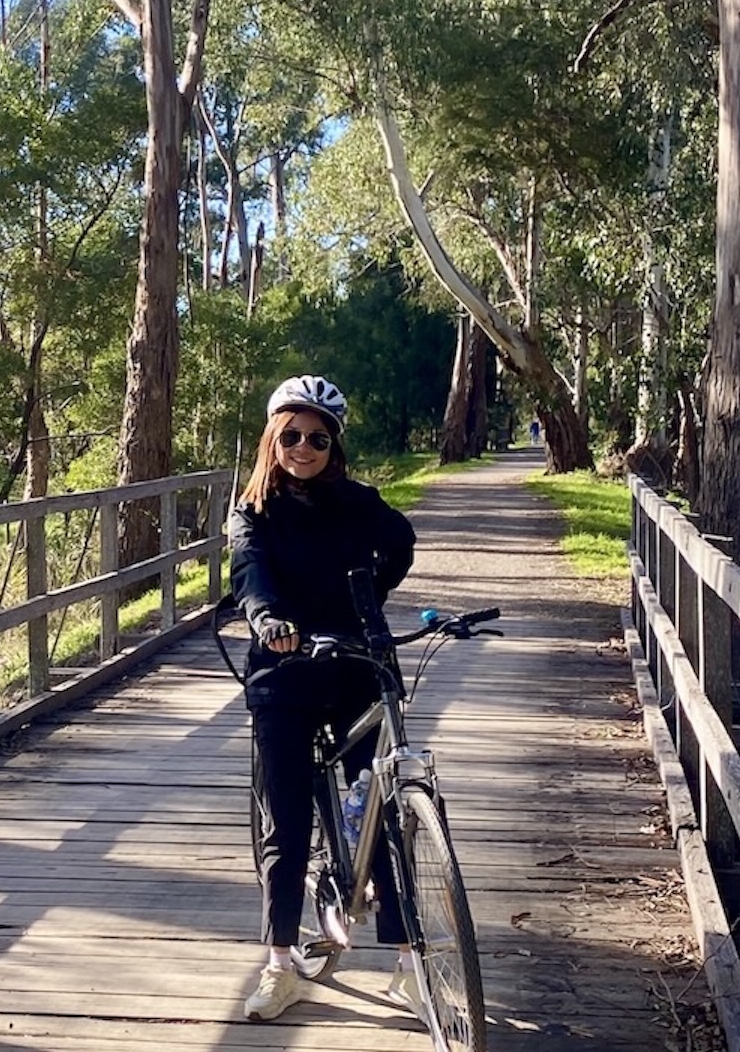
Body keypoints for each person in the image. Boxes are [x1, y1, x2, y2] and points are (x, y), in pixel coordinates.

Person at [228, 374, 419, 1021]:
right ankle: (280, 965)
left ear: (333, 445)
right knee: (288, 822)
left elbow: (401, 545)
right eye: (291, 435)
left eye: (316, 437)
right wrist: (268, 622)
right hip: (283, 674)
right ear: (272, 440)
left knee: (385, 812)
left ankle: (409, 962)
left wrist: (368, 602)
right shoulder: (252, 511)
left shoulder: (357, 502)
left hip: (356, 667)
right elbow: (250, 576)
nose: (303, 447)